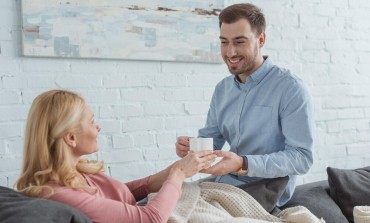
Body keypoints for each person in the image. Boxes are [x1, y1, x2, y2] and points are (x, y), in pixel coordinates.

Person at [176, 3, 314, 207]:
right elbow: (211, 143)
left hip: (265, 189)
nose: (230, 52)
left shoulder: (290, 88)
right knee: (157, 204)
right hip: (225, 183)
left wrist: (243, 164)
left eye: (239, 42)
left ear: (261, 39)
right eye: (224, 42)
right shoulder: (222, 89)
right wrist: (192, 148)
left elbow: (302, 158)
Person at [16, 89, 216, 223]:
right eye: (92, 121)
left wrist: (177, 168)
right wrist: (179, 174)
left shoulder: (76, 172)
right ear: (70, 138)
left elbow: (121, 194)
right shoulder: (59, 194)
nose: (98, 127)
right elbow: (150, 219)